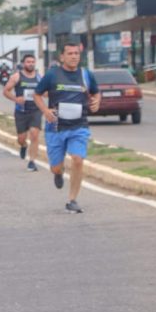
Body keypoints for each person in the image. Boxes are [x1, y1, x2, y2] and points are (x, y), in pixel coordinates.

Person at [33, 41, 101, 213]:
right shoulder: (52, 75)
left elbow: (95, 92)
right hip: (55, 127)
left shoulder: (86, 75)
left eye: (76, 53)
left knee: (78, 160)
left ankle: (72, 200)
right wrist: (45, 110)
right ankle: (58, 172)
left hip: (79, 126)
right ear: (62, 56)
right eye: (70, 53)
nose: (73, 56)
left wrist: (97, 101)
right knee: (55, 167)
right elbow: (37, 94)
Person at [2, 53, 42, 172]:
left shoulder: (40, 77)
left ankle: (32, 161)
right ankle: (23, 146)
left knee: (34, 134)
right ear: (24, 64)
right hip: (21, 111)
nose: (31, 64)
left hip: (35, 110)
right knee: (21, 138)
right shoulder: (16, 77)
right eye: (28, 62)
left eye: (32, 62)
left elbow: (45, 92)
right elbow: (6, 91)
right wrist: (16, 99)